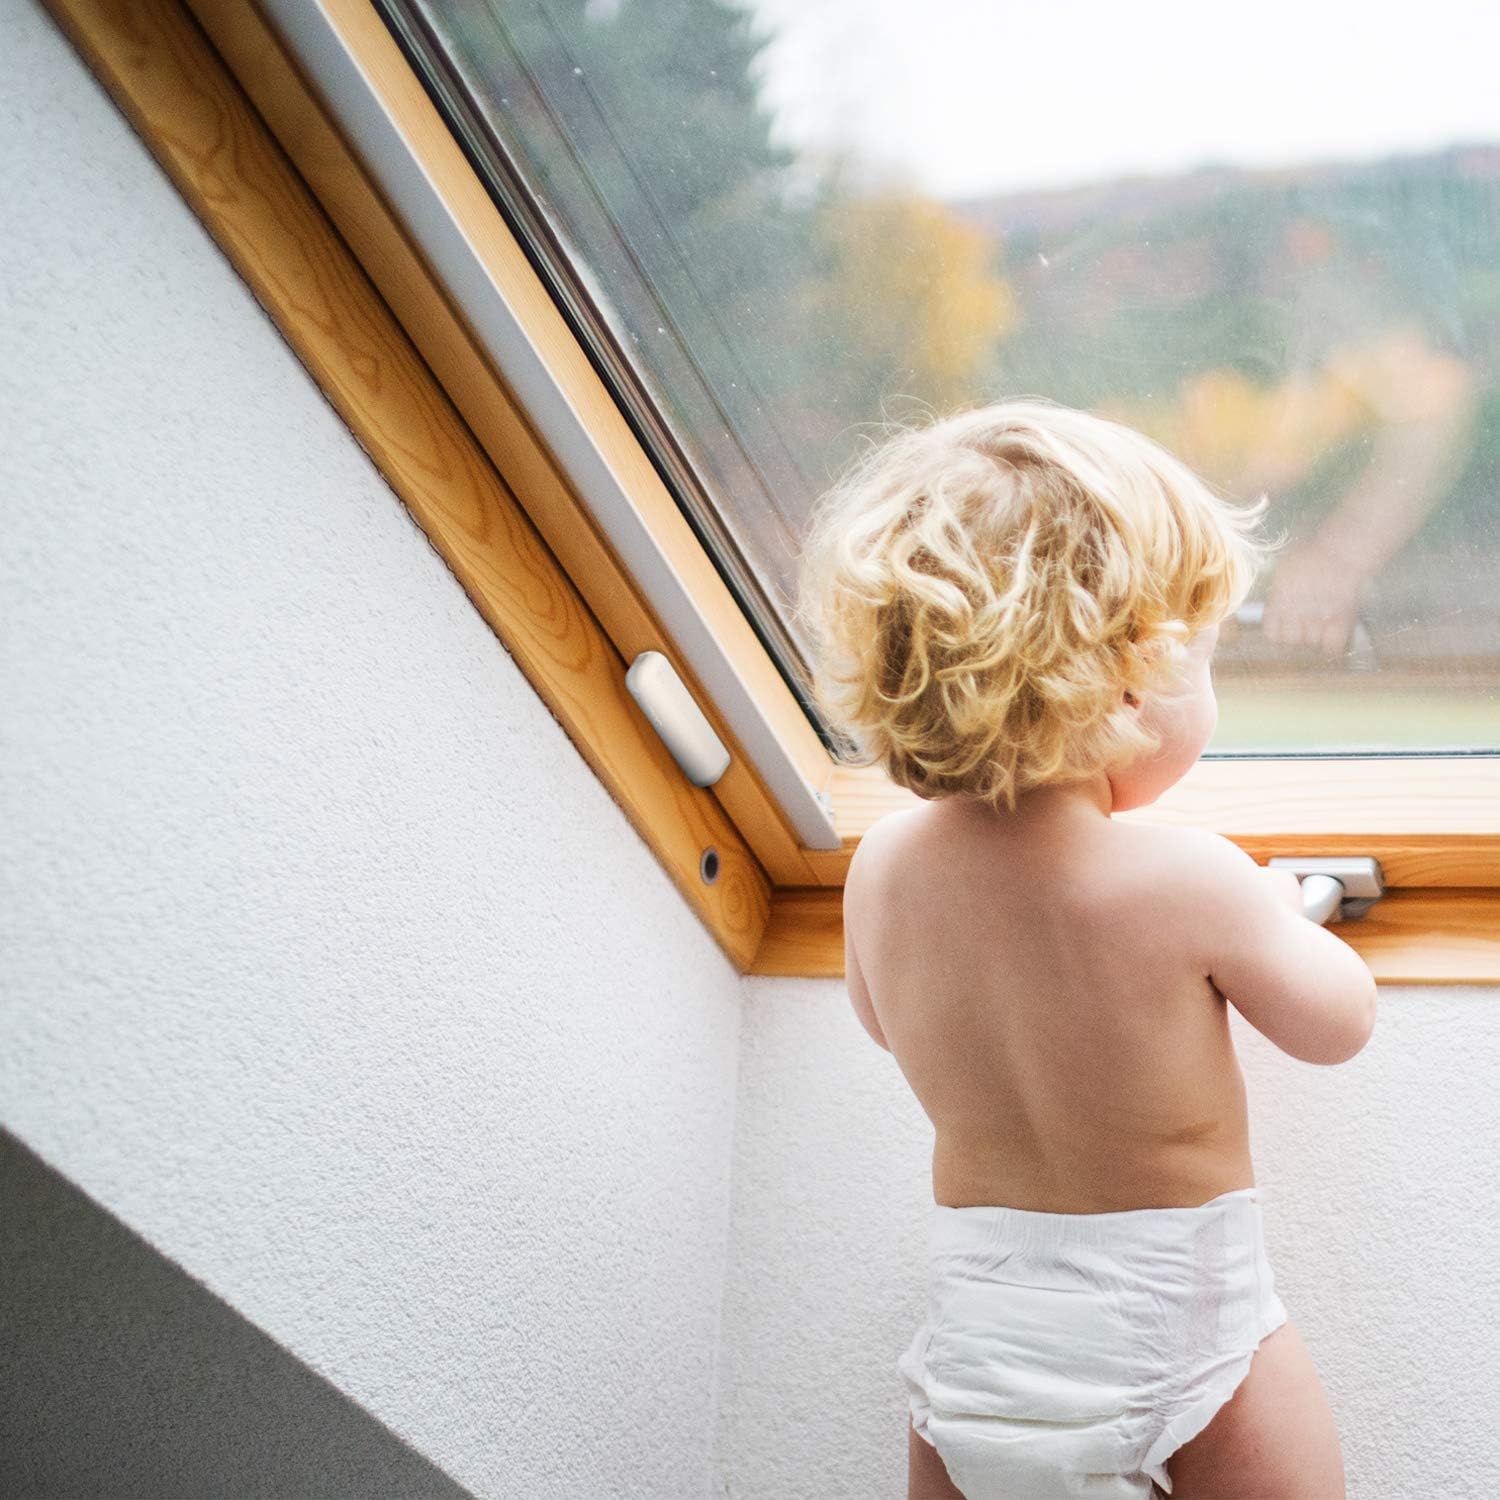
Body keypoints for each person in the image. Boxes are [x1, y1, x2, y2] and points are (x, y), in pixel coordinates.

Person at [794, 400, 1378, 1499]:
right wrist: (1273, 909)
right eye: (1204, 660)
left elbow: (881, 1022)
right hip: (1179, 1315)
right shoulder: (1185, 876)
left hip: (979, 1336)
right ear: (1126, 679)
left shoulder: (884, 868)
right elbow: (1338, 1024)